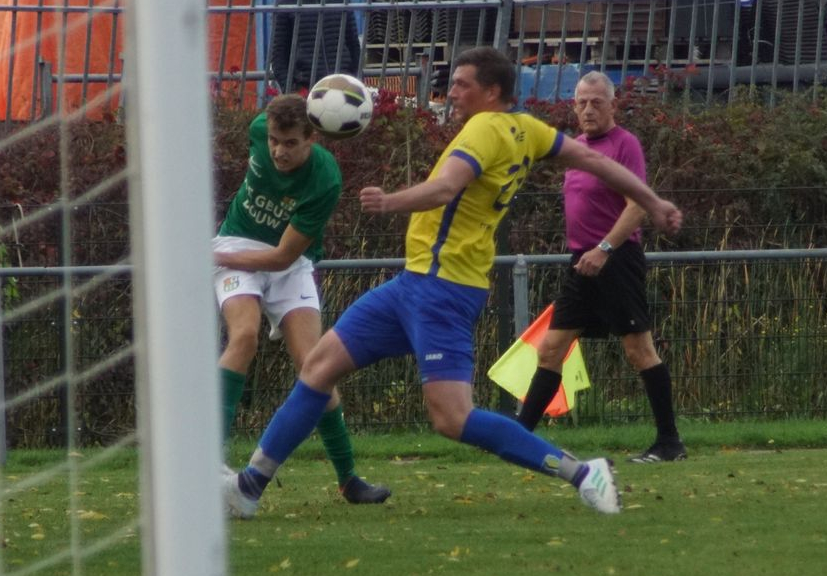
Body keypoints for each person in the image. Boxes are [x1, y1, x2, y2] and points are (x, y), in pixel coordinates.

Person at [225, 47, 682, 520]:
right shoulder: (530, 129)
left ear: (492, 92)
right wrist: (652, 200)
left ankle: (584, 474)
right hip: (414, 284)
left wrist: (389, 202)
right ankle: (248, 486)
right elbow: (593, 159)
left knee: (452, 418)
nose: (453, 91)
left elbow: (445, 188)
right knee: (319, 367)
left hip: (443, 290)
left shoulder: (484, 130)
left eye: (462, 84)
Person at [213, 94, 390, 504]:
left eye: (290, 143)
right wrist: (224, 253)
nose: (278, 150)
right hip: (237, 245)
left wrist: (214, 256)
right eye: (275, 140)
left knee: (316, 365)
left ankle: (348, 479)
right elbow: (269, 123)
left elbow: (283, 256)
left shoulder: (325, 179)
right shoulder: (258, 129)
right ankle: (210, 455)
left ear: (313, 137)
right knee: (244, 337)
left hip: (286, 261)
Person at [514, 72, 686, 464]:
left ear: (613, 105)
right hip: (580, 262)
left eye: (596, 102)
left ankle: (669, 442)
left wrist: (605, 248)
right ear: (573, 106)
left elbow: (637, 205)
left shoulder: (625, 145)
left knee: (639, 351)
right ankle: (519, 442)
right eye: (581, 102)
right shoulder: (575, 147)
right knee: (550, 349)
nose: (588, 109)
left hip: (615, 259)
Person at [270, 0, 362, 94]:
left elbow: (354, 46)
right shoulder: (286, 3)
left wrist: (355, 81)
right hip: (307, 90)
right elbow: (278, 55)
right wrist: (293, 91)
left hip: (343, 86)